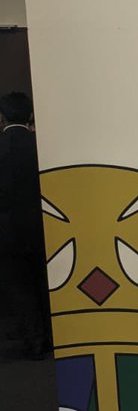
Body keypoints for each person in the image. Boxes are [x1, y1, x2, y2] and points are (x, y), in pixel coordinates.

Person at [0, 91, 53, 362]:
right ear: (30, 115)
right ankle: (54, 335)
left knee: (20, 289)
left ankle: (34, 342)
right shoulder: (41, 146)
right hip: (42, 227)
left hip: (8, 233)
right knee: (46, 283)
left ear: (3, 118)